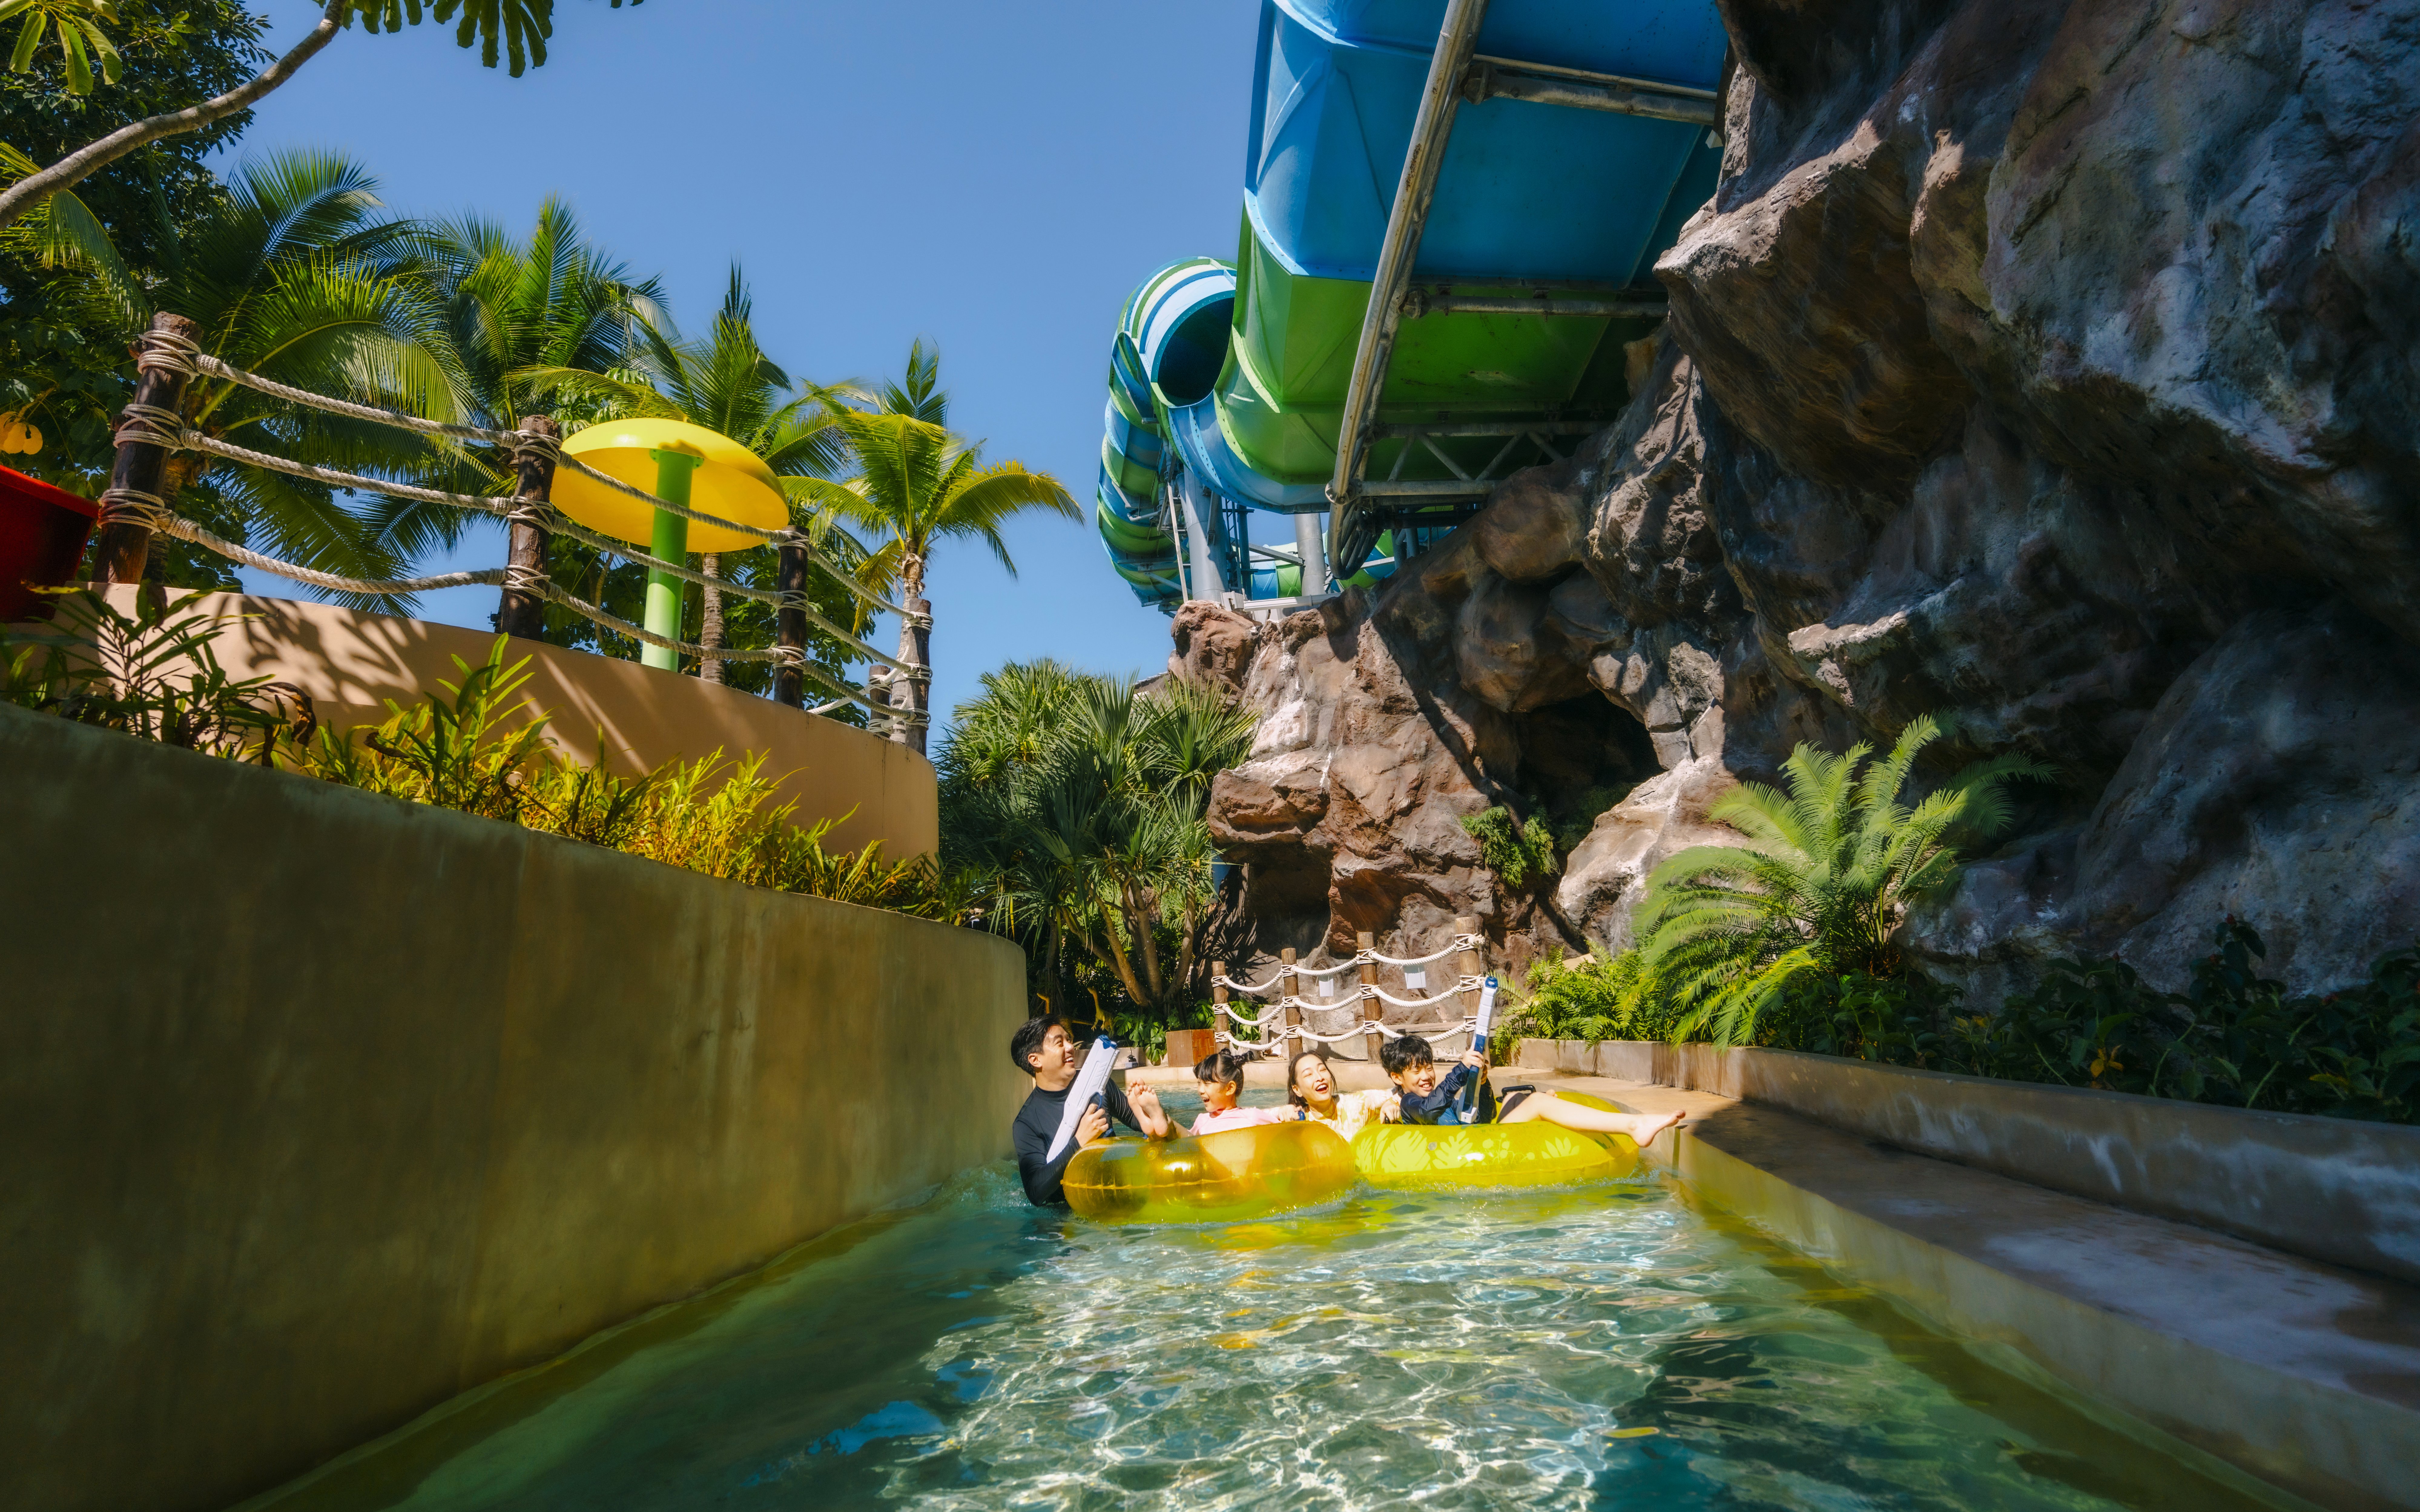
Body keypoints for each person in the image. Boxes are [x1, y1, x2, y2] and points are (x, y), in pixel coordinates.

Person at [1380, 1036, 1684, 1145]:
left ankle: (1548, 1110)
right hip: (1459, 1153)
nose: (1426, 1075)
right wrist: (1459, 1071)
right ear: (1397, 1077)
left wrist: (1482, 1082)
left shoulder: (1442, 1097)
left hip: (1477, 1139)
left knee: (1516, 1098)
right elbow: (1430, 1109)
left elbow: (1482, 1118)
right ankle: (1634, 1125)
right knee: (1537, 1102)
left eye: (1428, 1067)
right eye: (1416, 1070)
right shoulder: (1408, 1103)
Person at [1010, 1016, 1173, 1207]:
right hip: (1070, 1217)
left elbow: (1140, 1124)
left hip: (1118, 1192)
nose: (1071, 1047)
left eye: (1068, 1040)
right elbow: (1036, 1193)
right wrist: (1079, 1141)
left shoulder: (1098, 1086)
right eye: (1059, 1043)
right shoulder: (1027, 1123)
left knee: (1155, 1127)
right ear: (1036, 1060)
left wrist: (1147, 1111)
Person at [1186, 1048, 1304, 1135]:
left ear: (1230, 1089)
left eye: (1207, 1084)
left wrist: (1287, 1111)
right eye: (1199, 1084)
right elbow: (1185, 1142)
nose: (1200, 1090)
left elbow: (1287, 1127)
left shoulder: (1252, 1117)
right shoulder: (1201, 1121)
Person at [1286, 1049, 1397, 1140]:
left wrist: (1394, 1102)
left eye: (1323, 1070)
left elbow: (1403, 1090)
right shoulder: (1297, 1120)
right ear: (1297, 1090)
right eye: (1309, 1075)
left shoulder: (1356, 1105)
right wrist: (1279, 1112)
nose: (1320, 1078)